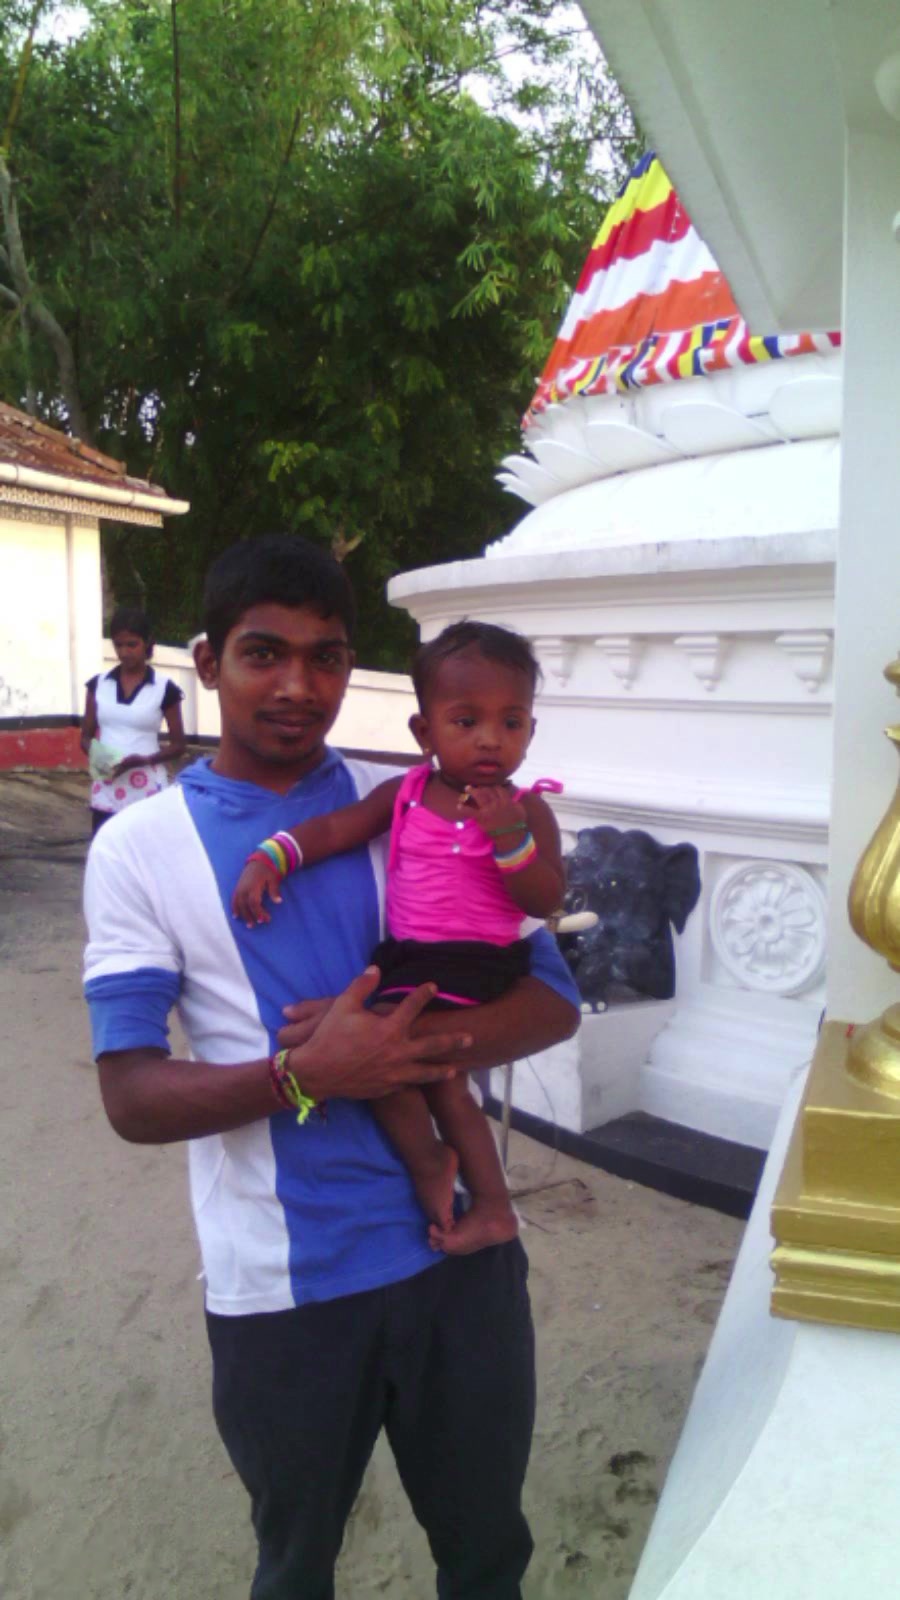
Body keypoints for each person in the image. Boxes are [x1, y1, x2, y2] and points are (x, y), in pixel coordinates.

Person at [83, 534, 580, 1600]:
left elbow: (552, 1000)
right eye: (264, 653)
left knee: (488, 1555)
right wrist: (305, 1075)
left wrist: (402, 1051)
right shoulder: (138, 848)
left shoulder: (423, 805)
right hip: (285, 1288)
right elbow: (130, 1095)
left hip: (461, 1263)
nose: (298, 686)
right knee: (296, 1566)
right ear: (207, 662)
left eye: (327, 657)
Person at [232, 620, 565, 1256]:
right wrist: (273, 855)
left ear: (530, 730)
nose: (490, 739)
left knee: (386, 1053)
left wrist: (510, 839)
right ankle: (480, 1196)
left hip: (479, 963)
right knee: (428, 1080)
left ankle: (439, 1170)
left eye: (511, 722)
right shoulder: (408, 794)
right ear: (424, 732)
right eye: (466, 721)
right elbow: (337, 829)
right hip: (410, 959)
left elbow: (544, 900)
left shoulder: (528, 810)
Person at [80, 605, 186, 834]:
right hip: (107, 790)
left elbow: (179, 745)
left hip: (147, 790)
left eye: (132, 644)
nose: (124, 652)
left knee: (146, 851)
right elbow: (85, 737)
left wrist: (143, 760)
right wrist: (99, 757)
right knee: (106, 849)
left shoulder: (164, 689)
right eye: (118, 645)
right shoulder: (98, 685)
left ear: (147, 643)